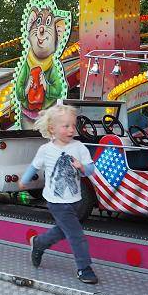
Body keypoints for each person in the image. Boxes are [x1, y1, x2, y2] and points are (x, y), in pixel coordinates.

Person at [18, 104, 98, 284]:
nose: (71, 130)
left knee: (63, 230)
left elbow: (90, 170)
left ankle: (39, 243)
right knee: (76, 234)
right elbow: (34, 166)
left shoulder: (79, 147)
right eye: (66, 126)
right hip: (56, 202)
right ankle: (84, 268)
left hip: (77, 201)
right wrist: (24, 181)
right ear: (52, 128)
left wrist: (82, 167)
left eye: (73, 125)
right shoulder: (46, 150)